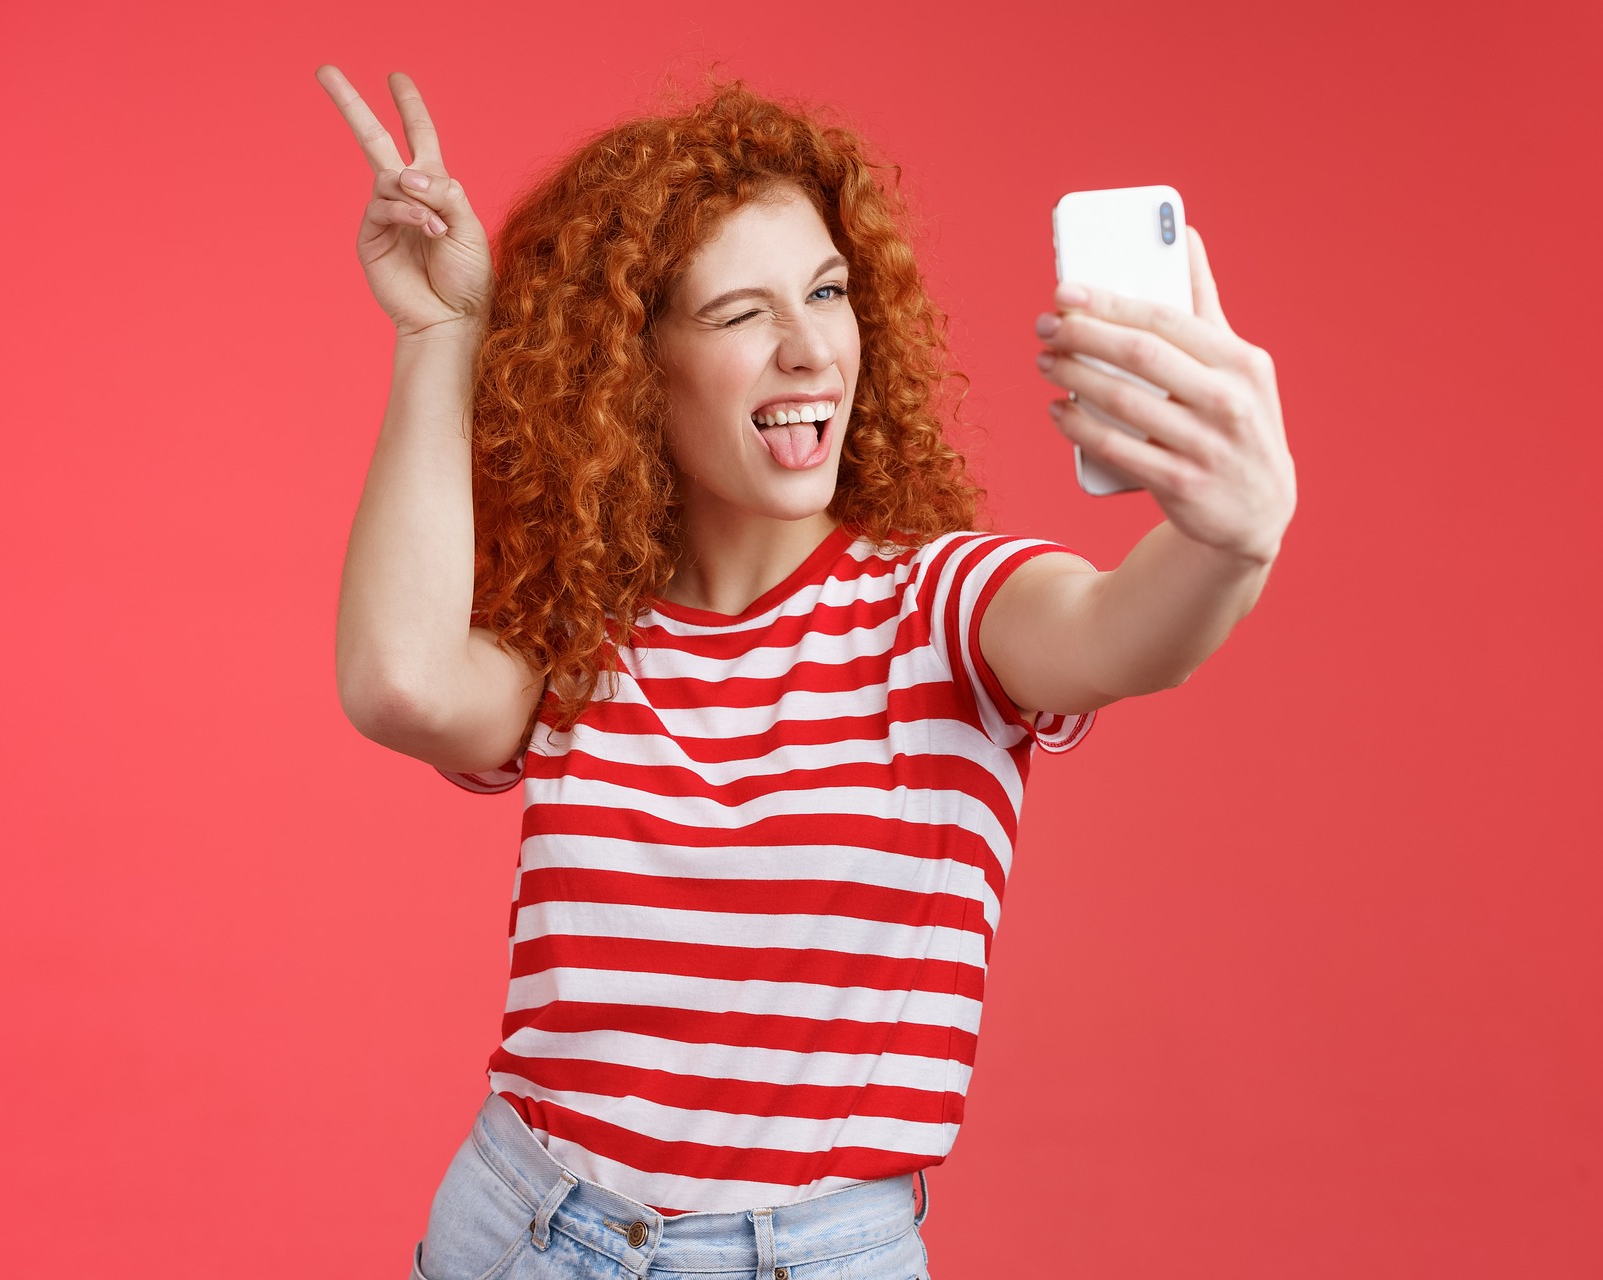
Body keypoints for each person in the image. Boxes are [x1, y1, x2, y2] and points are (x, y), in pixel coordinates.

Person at [318, 63, 1295, 1280]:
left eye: (826, 292)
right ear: (634, 366)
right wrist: (437, 333)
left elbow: (1124, 627)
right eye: (738, 315)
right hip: (523, 1225)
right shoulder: (585, 643)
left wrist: (1230, 535)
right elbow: (400, 682)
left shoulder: (940, 609)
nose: (807, 349)